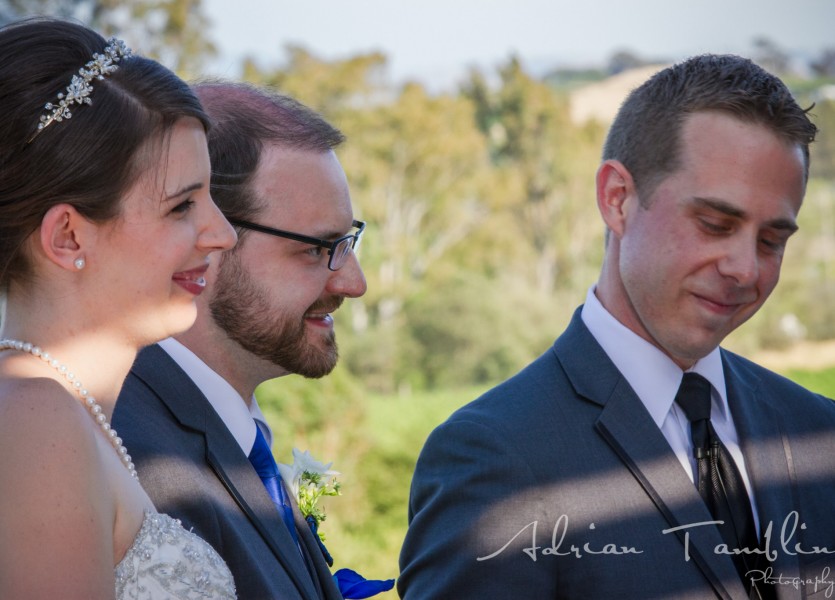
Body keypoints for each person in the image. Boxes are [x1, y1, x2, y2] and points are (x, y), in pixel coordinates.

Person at [399, 54, 835, 599]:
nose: (745, 268)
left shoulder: (820, 429)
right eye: (715, 224)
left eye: (772, 240)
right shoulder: (495, 458)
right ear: (617, 199)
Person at [0, 18, 238, 599]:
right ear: (68, 238)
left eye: (213, 198)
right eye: (182, 206)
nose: (223, 234)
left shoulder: (66, 417)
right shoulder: (35, 423)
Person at [113, 82, 368, 600]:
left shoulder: (236, 434)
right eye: (319, 249)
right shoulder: (131, 457)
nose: (354, 283)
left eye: (349, 242)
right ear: (207, 238)